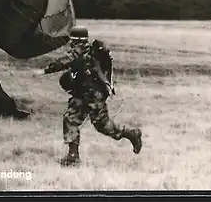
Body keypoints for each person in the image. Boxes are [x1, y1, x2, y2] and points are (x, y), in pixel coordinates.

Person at [44, 26, 142, 166]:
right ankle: (73, 157)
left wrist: (51, 67)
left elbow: (66, 60)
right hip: (82, 94)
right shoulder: (86, 50)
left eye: (72, 40)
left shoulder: (81, 50)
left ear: (76, 40)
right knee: (70, 119)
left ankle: (131, 134)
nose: (70, 42)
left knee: (103, 126)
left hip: (93, 95)